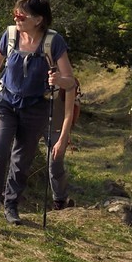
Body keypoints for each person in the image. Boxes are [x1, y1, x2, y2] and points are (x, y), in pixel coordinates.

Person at [0, 0, 76, 225]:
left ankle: (11, 205)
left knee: (21, 159)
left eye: (23, 14)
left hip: (36, 107)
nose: (17, 17)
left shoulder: (53, 42)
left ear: (39, 19)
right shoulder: (10, 35)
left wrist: (59, 80)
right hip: (6, 103)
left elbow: (70, 81)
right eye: (16, 13)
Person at [48, 78, 81, 210]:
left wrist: (67, 132)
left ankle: (60, 200)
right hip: (34, 121)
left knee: (55, 161)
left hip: (58, 126)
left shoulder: (70, 81)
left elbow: (75, 107)